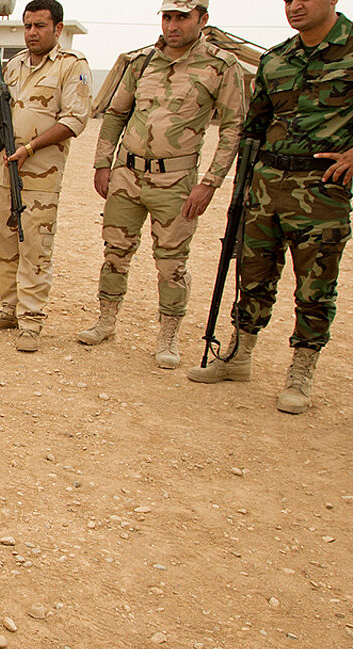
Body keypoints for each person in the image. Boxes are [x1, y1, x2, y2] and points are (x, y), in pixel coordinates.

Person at [188, 0, 353, 414]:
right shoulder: (277, 58)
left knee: (315, 285)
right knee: (253, 273)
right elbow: (254, 128)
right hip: (265, 186)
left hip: (321, 190)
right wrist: (241, 188)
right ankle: (239, 355)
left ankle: (301, 370)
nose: (293, 6)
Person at [79, 0, 245, 369]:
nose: (173, 25)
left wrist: (210, 183)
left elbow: (234, 128)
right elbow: (116, 115)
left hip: (176, 181)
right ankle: (107, 321)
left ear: (202, 19)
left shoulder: (221, 66)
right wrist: (102, 165)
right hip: (127, 174)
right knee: (115, 252)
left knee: (171, 262)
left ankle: (168, 334)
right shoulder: (140, 62)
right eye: (167, 17)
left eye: (182, 17)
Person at [0, 0, 91, 352]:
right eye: (28, 26)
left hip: (41, 174)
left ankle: (31, 320)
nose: (32, 32)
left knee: (35, 246)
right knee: (1, 239)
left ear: (57, 29)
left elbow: (75, 120)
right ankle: (10, 308)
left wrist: (30, 148)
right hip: (4, 169)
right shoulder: (11, 66)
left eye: (40, 26)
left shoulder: (72, 67)